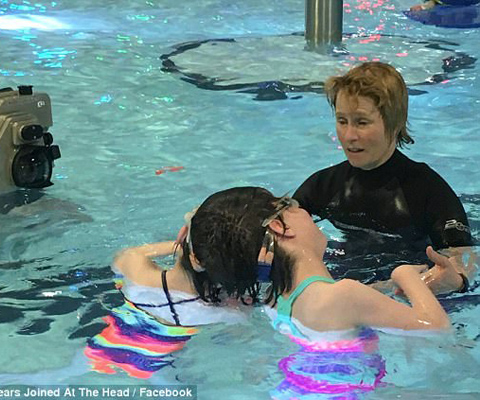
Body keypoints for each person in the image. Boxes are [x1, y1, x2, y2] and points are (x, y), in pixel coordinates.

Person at [115, 187, 450, 335]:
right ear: (278, 226)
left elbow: (358, 304)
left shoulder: (276, 300)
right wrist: (405, 275)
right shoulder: (336, 294)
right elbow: (434, 329)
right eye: (292, 206)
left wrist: (195, 241)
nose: (305, 211)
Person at [292, 61, 475, 295]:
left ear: (395, 123)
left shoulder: (428, 190)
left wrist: (457, 281)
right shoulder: (323, 186)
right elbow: (280, 236)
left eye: (362, 122)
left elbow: (462, 259)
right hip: (345, 291)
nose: (349, 135)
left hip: (401, 297)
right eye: (342, 121)